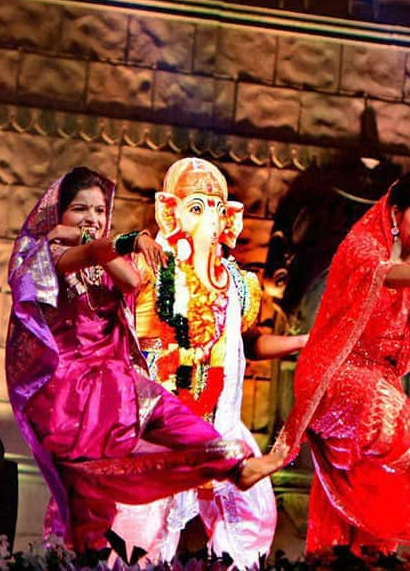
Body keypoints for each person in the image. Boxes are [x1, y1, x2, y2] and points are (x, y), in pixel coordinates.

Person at [4, 166, 282, 552]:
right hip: (75, 397)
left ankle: (237, 466)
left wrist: (113, 243)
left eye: (100, 211)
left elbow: (131, 282)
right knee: (91, 513)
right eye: (81, 210)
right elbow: (88, 251)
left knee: (175, 418)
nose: (93, 219)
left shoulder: (104, 258)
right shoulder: (47, 255)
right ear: (58, 215)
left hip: (115, 382)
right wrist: (119, 240)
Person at [272, 170, 410, 554]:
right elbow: (382, 275)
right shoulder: (360, 248)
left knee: (373, 512)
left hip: (376, 410)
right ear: (395, 215)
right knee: (376, 395)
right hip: (336, 379)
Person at [112, 158, 306, 568]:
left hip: (223, 426)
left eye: (217, 208)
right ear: (172, 211)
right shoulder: (152, 271)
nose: (209, 219)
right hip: (162, 433)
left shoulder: (238, 282)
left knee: (252, 523)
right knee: (142, 535)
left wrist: (305, 341)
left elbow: (249, 343)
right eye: (197, 207)